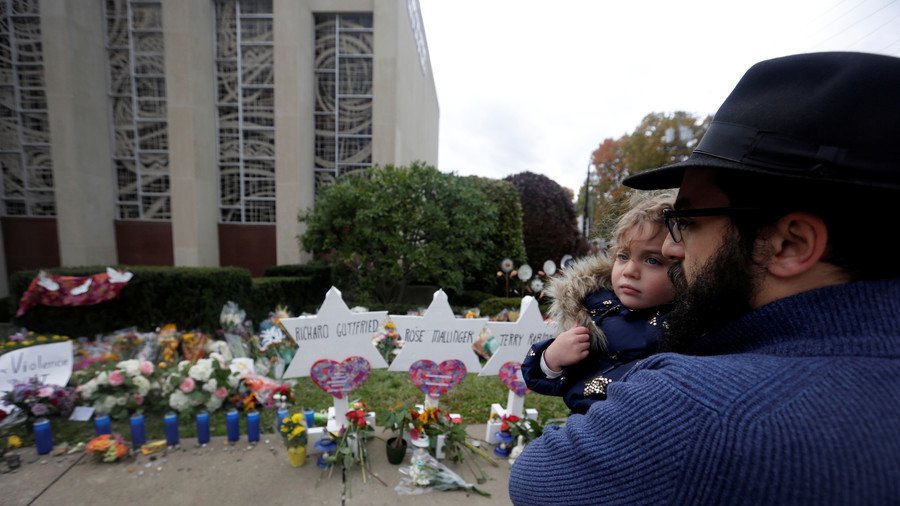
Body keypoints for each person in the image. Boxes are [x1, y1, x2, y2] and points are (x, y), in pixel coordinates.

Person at [508, 51, 900, 505]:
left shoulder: (693, 408)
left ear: (789, 244)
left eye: (689, 221)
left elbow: (535, 480)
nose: (674, 249)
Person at [520, 191, 675, 414]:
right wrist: (552, 358)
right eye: (623, 256)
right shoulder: (595, 308)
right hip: (585, 424)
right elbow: (542, 375)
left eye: (652, 260)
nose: (629, 271)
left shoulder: (686, 325)